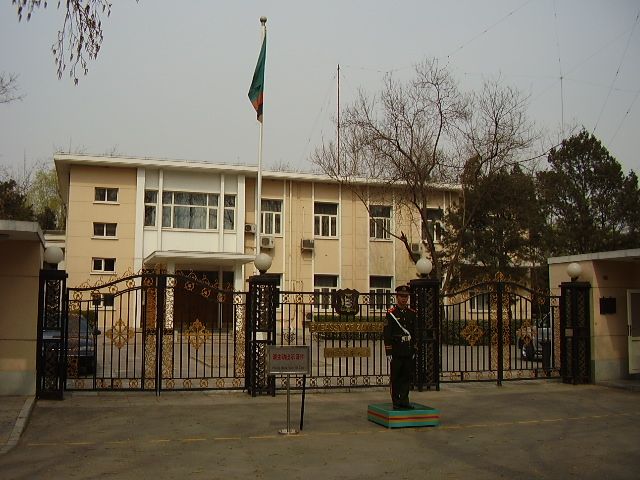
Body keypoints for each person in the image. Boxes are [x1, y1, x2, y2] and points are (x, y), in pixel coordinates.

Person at [384, 284, 416, 410]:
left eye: (406, 296)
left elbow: (415, 332)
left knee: (406, 377)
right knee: (396, 377)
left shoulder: (412, 313)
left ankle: (404, 400)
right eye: (401, 296)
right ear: (397, 297)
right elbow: (387, 333)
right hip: (396, 351)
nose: (404, 299)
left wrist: (414, 348)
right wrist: (389, 351)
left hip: (408, 350)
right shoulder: (391, 314)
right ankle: (396, 402)